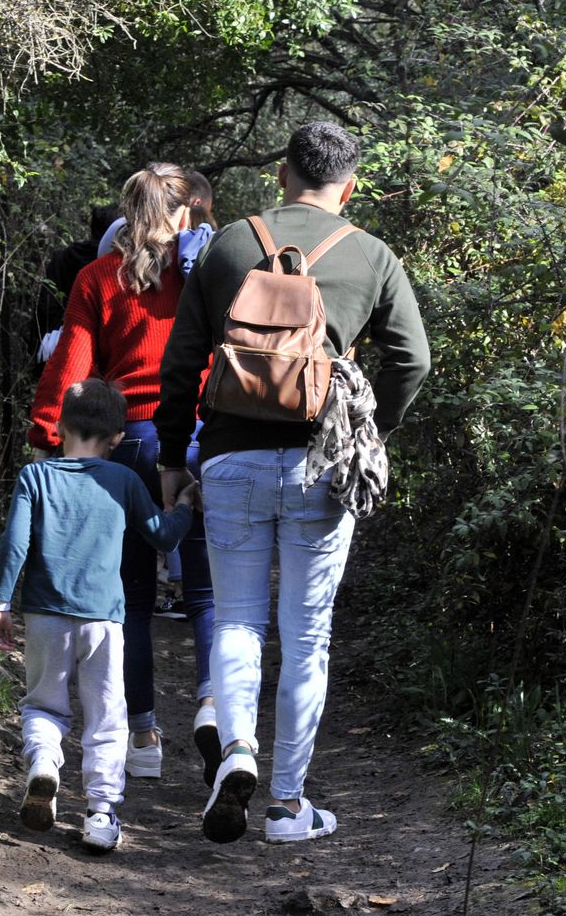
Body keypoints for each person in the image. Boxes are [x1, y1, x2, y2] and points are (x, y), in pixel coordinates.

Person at [155, 121, 431, 845]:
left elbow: (181, 363)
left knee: (240, 619)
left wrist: (177, 459)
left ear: (281, 175)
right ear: (350, 185)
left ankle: (236, 750)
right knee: (307, 637)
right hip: (321, 464)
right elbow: (413, 360)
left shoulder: (228, 245)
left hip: (231, 459)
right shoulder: (372, 256)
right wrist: (371, 431)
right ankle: (285, 806)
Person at [27, 163, 219, 784]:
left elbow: (72, 370)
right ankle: (215, 706)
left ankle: (142, 735)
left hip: (129, 443)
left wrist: (45, 436)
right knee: (206, 593)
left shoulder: (97, 277)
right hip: (197, 438)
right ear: (184, 213)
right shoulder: (207, 276)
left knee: (132, 598)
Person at [0, 379, 200, 852]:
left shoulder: (35, 477)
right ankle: (102, 813)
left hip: (45, 614)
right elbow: (162, 537)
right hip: (105, 619)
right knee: (107, 716)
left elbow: (15, 544)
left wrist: (0, 605)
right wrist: (184, 506)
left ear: (59, 428)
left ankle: (44, 763)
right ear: (118, 439)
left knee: (44, 704)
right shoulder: (123, 480)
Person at [32, 205, 120, 363]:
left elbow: (45, 306)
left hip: (57, 345)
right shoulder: (114, 264)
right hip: (97, 348)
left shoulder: (62, 258)